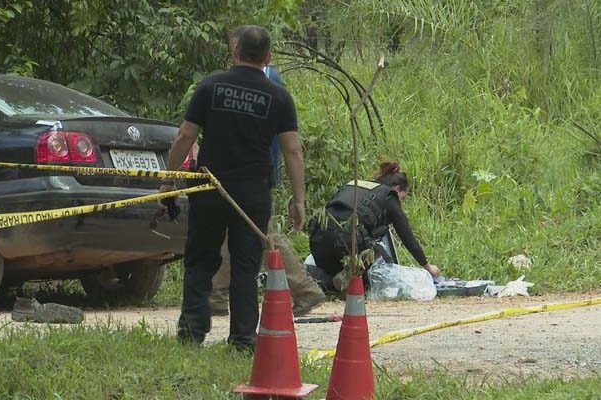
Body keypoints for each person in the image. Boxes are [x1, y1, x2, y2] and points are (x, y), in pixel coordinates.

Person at [160, 25, 305, 352]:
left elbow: (185, 136)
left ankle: (191, 334)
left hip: (209, 187)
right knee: (245, 266)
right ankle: (242, 341)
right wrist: (299, 200)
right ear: (268, 57)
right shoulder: (279, 96)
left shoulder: (210, 87)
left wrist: (168, 180)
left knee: (200, 260)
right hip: (253, 193)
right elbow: (293, 150)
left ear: (235, 52)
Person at [208, 28, 325, 318]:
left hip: (254, 172)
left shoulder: (267, 80)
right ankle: (218, 293)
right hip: (249, 171)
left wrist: (299, 196)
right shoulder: (265, 80)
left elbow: (289, 145)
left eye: (235, 47)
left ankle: (305, 289)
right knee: (239, 231)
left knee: (263, 233)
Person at [308, 161, 440, 289]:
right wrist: (427, 267)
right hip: (348, 238)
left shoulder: (355, 185)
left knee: (332, 276)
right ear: (398, 189)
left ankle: (318, 278)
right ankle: (346, 281)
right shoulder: (389, 195)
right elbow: (406, 235)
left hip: (318, 239)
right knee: (382, 268)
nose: (401, 202)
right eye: (403, 198)